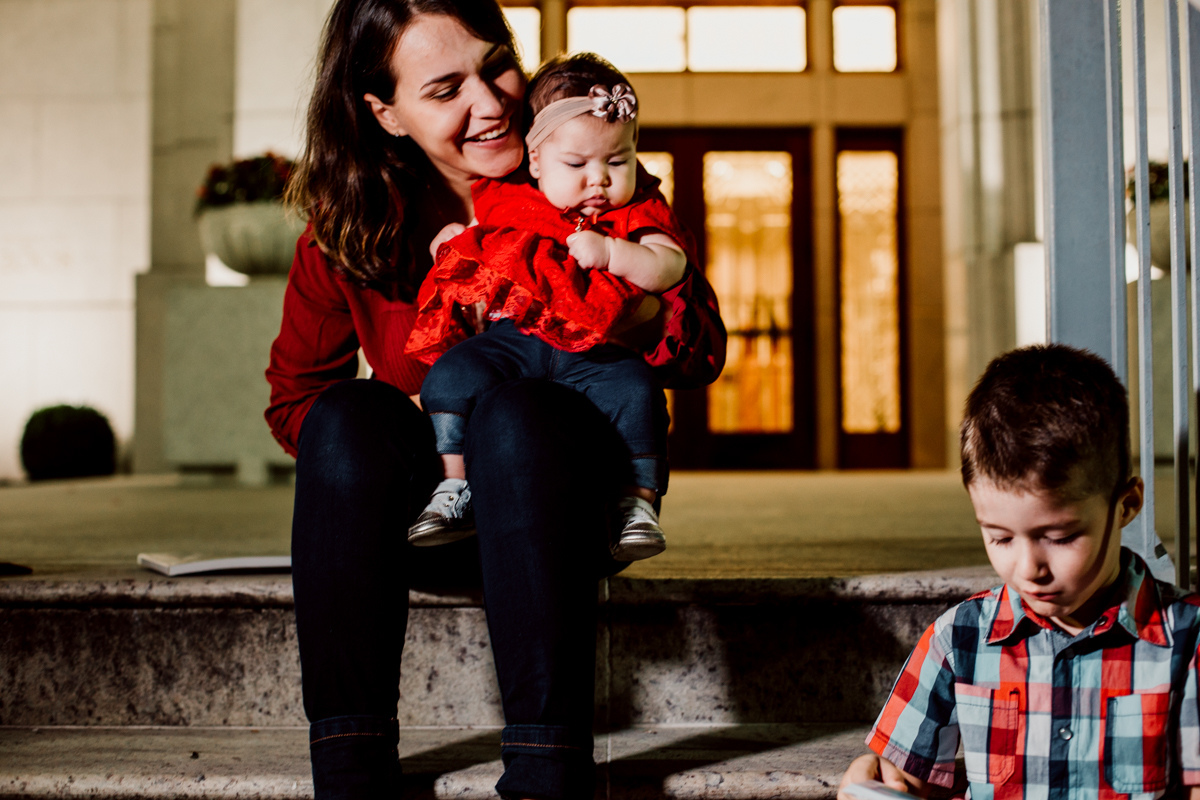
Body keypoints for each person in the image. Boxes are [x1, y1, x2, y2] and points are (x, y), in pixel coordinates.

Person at [265, 2, 725, 798]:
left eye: (497, 63)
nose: (492, 102)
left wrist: (627, 303)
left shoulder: (580, 165)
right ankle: (350, 768)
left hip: (561, 499)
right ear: (387, 113)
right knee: (346, 417)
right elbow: (293, 400)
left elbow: (700, 348)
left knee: (516, 414)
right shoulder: (349, 222)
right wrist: (406, 444)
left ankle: (548, 771)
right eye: (446, 89)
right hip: (432, 517)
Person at [837, 344, 1200, 800]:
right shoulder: (958, 640)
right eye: (1001, 538)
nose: (1029, 569)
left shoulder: (1187, 641)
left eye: (1061, 536)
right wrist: (873, 779)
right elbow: (907, 778)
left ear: (1126, 505)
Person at [403, 54, 698, 562]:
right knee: (452, 374)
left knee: (639, 393)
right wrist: (451, 245)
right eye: (577, 164)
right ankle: (454, 487)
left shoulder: (638, 208)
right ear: (536, 161)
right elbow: (484, 251)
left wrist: (614, 253)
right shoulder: (506, 195)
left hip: (598, 352)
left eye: (618, 161)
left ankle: (636, 504)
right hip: (513, 343)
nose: (599, 180)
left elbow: (670, 266)